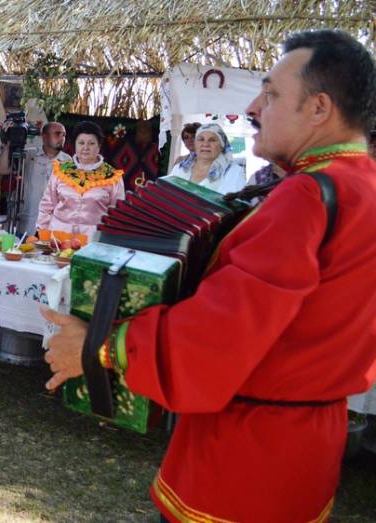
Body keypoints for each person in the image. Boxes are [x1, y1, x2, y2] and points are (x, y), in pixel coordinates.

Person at [41, 29, 376, 522]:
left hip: (245, 456)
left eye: (272, 93)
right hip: (308, 445)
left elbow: (224, 331)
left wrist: (101, 347)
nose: (255, 108)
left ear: (320, 108)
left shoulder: (307, 198)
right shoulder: (362, 186)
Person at [35, 121, 125, 239]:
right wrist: (42, 233)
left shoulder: (112, 177)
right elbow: (47, 205)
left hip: (93, 241)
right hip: (57, 238)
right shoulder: (61, 170)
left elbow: (117, 214)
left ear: (99, 146)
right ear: (75, 145)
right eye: (81, 143)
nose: (85, 148)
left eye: (91, 143)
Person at [0, 121, 71, 235]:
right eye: (57, 134)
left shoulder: (68, 161)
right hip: (27, 224)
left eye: (64, 135)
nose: (62, 138)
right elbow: (2, 169)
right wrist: (7, 145)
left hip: (53, 227)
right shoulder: (28, 155)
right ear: (44, 137)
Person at [163, 123, 247, 194]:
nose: (205, 144)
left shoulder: (233, 172)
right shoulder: (180, 168)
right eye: (201, 139)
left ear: (222, 145)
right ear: (196, 144)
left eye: (212, 140)